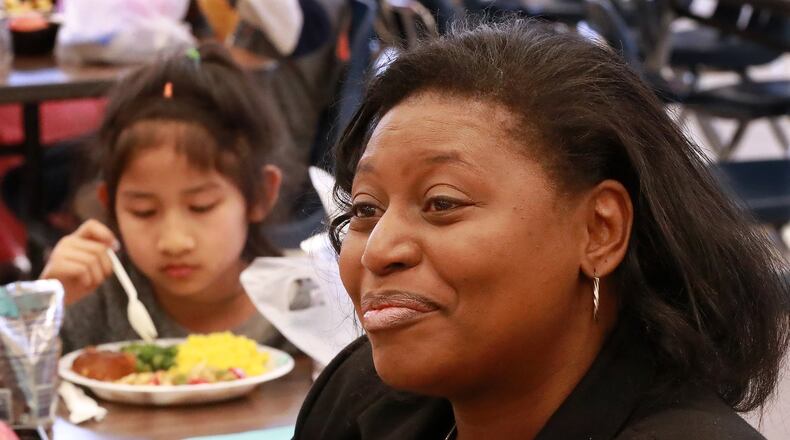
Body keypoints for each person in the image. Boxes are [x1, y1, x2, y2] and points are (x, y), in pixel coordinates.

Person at [292, 19, 790, 439]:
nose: (378, 251)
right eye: (363, 210)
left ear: (600, 231)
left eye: (442, 202)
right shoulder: (358, 395)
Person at [42, 43, 288, 354]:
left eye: (201, 207)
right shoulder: (92, 298)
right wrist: (42, 306)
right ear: (110, 206)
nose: (174, 242)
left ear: (260, 196)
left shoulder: (297, 308)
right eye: (143, 211)